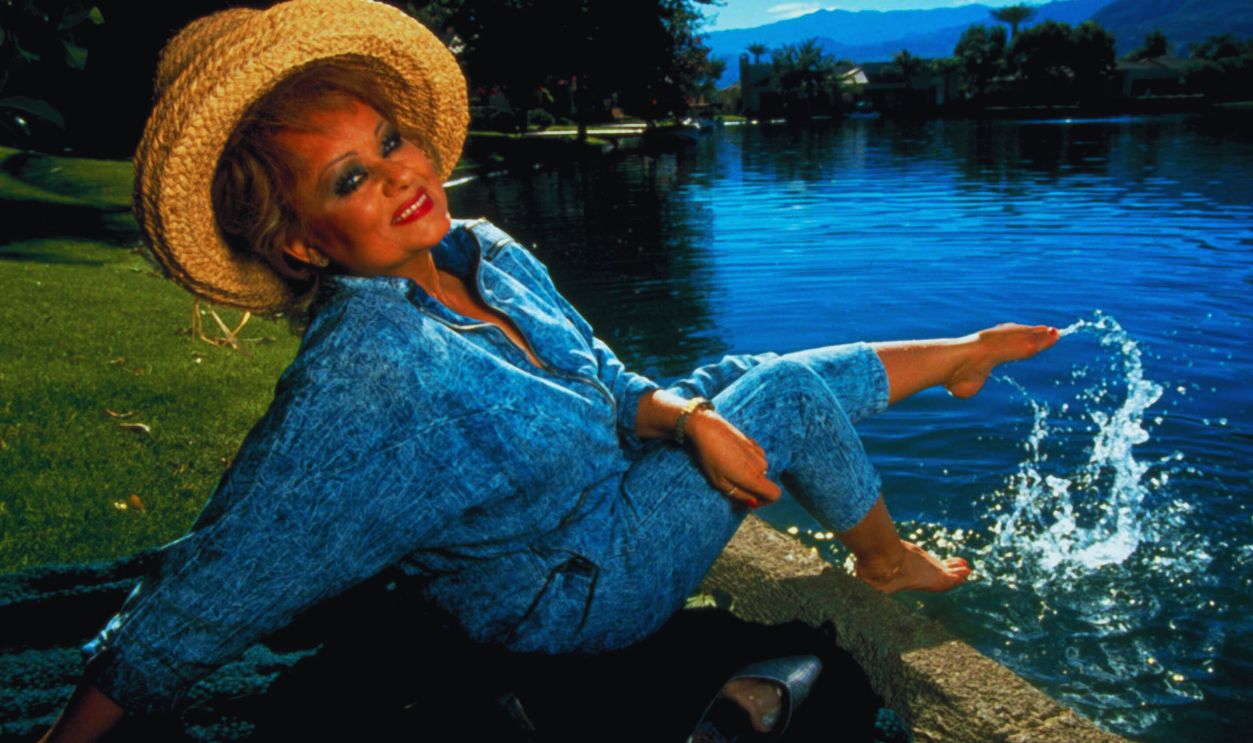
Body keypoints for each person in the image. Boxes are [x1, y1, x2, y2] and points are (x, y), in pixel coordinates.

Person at [40, 1, 1060, 740]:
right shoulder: (366, 370)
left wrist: (687, 417)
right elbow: (226, 570)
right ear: (301, 243)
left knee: (735, 378)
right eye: (350, 177)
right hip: (570, 588)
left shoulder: (477, 246)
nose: (402, 172)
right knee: (780, 395)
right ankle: (883, 557)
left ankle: (960, 356)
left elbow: (609, 380)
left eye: (389, 139)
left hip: (605, 481)